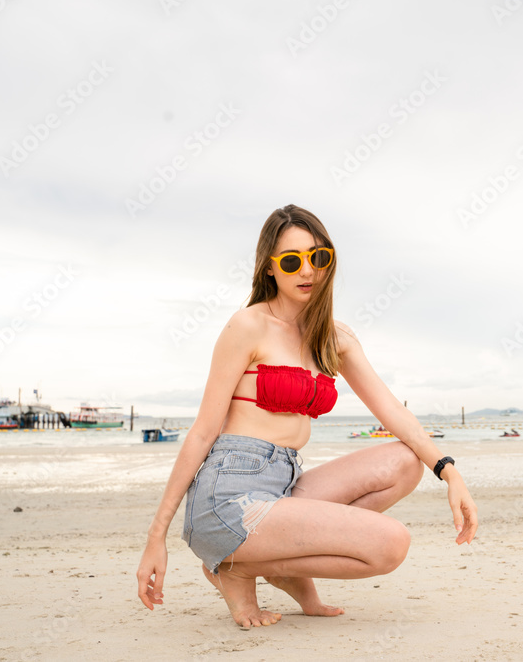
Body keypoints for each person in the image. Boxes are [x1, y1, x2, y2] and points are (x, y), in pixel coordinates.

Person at [136, 205, 478, 628]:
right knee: (391, 544)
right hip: (227, 494)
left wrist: (449, 472)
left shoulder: (334, 337)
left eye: (318, 258)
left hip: (282, 483)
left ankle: (272, 566)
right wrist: (157, 537)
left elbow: (392, 411)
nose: (308, 271)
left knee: (407, 462)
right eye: (292, 261)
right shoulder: (248, 326)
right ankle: (237, 568)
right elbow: (203, 432)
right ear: (269, 270)